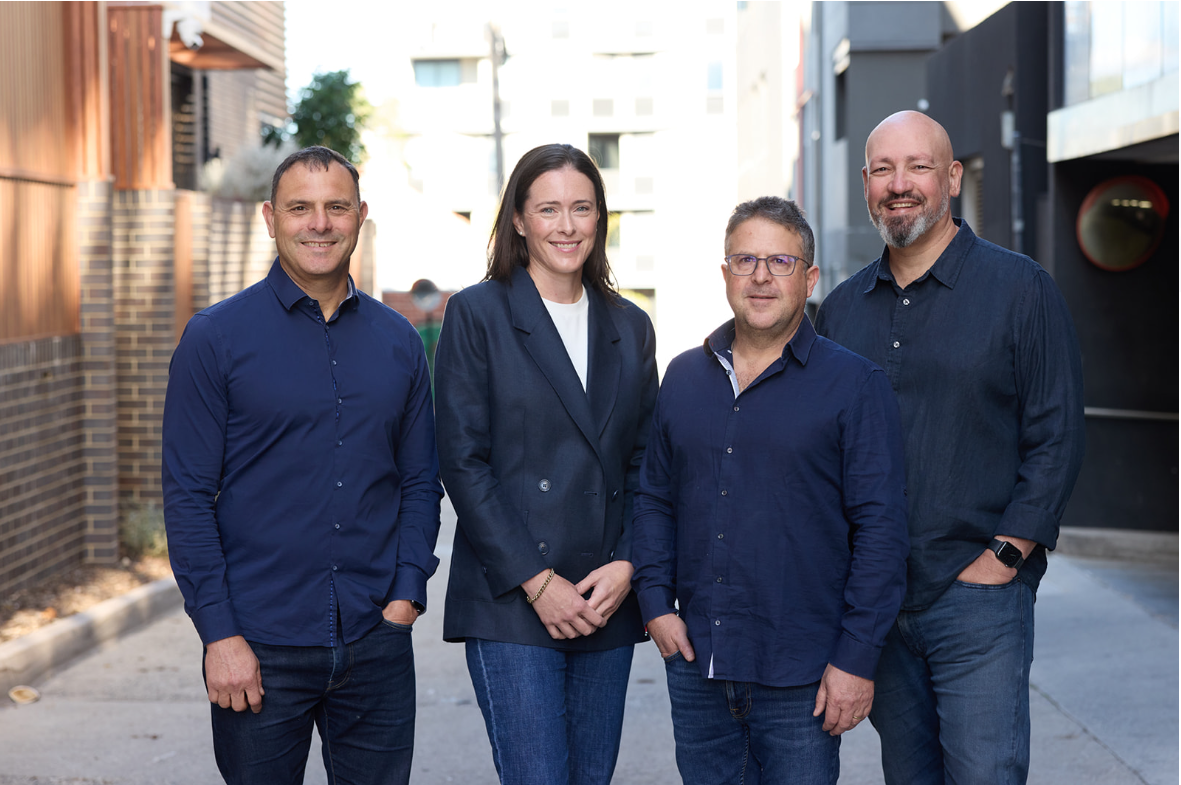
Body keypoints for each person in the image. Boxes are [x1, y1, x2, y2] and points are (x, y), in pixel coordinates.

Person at [815, 110, 1086, 785]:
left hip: (978, 596)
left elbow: (1056, 433)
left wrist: (1005, 556)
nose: (898, 184)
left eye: (918, 166)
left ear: (953, 178)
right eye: (883, 169)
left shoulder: (1020, 289)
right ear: (865, 182)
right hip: (878, 601)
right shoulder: (842, 308)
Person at [162, 146, 442, 785]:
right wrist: (219, 636)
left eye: (336, 207)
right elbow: (187, 496)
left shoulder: (399, 341)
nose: (319, 223)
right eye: (300, 208)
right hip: (256, 643)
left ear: (360, 217)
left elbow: (421, 479)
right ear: (270, 218)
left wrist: (407, 593)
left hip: (375, 639)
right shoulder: (215, 339)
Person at [632, 196, 910, 785]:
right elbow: (654, 497)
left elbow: (881, 532)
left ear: (810, 279)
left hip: (803, 677)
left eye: (781, 262)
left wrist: (856, 659)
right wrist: (654, 603)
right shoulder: (683, 378)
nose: (761, 276)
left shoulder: (855, 385)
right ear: (725, 273)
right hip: (698, 665)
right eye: (746, 260)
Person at [433, 143, 659, 785]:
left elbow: (648, 463)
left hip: (603, 594)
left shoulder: (631, 325)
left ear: (600, 218)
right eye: (549, 209)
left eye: (582, 208)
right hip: (513, 596)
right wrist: (536, 581)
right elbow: (462, 462)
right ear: (518, 219)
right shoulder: (478, 313)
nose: (567, 225)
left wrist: (629, 563)